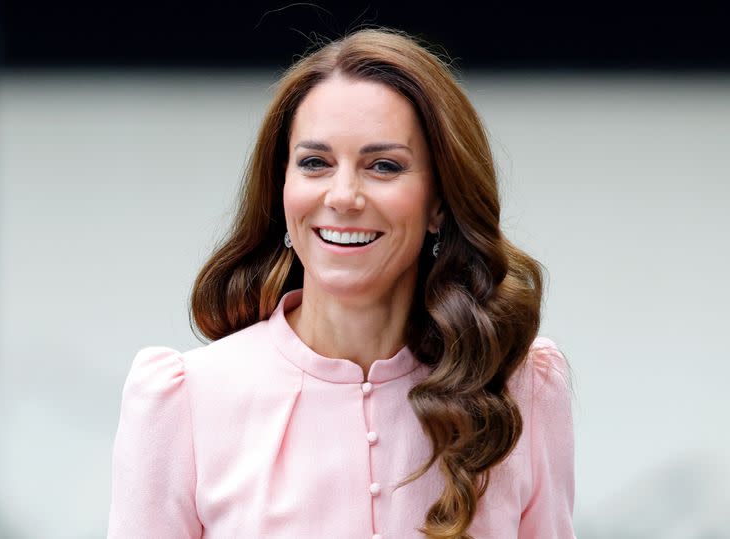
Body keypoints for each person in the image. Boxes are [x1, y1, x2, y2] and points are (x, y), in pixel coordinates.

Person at [107, 27, 576, 539]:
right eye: (315, 163)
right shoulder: (183, 402)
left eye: (383, 166)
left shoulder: (522, 390)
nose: (344, 195)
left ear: (439, 203)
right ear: (281, 187)